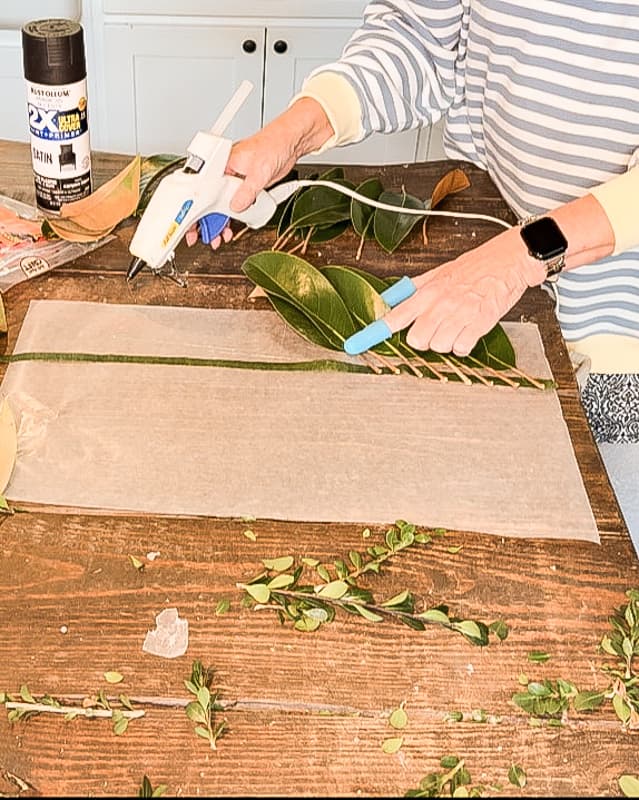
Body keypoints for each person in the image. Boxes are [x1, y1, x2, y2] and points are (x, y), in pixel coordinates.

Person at [190, 1, 639, 551]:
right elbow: (421, 39)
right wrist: (296, 129)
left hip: (620, 323)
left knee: (599, 558)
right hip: (493, 238)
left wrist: (524, 254)